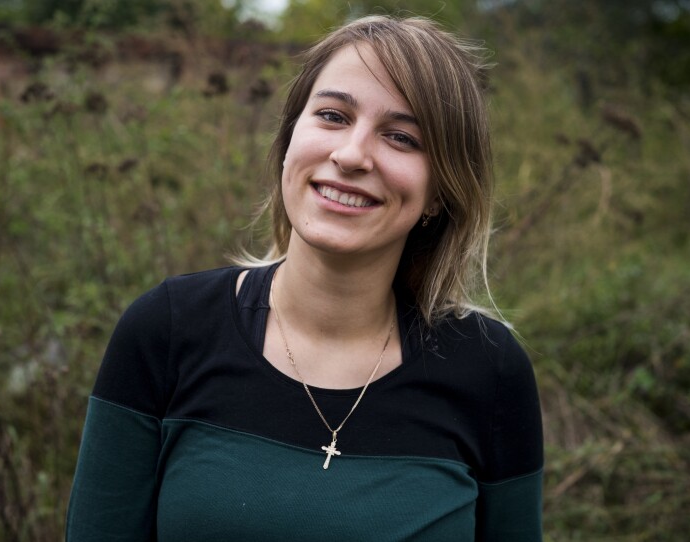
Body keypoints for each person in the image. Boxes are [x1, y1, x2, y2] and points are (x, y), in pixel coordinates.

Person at [66, 15, 543, 542]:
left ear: (439, 191)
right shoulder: (167, 330)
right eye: (333, 115)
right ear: (291, 138)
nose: (351, 155)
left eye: (402, 137)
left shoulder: (489, 369)